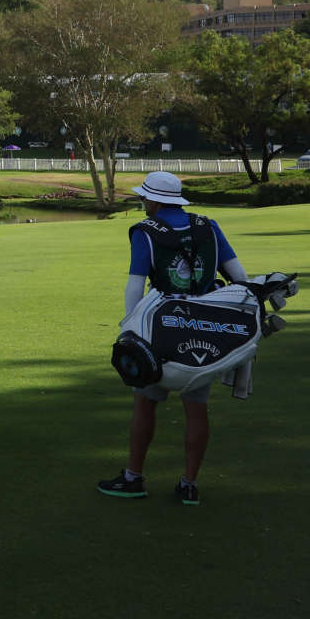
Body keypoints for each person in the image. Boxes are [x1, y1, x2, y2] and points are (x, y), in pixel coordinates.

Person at [97, 171, 247, 506]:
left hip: (159, 329)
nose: (143, 202)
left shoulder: (145, 232)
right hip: (204, 330)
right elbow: (239, 277)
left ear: (154, 200)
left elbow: (136, 284)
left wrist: (130, 328)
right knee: (196, 408)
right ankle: (189, 485)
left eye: (145, 198)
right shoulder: (208, 225)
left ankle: (134, 478)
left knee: (146, 402)